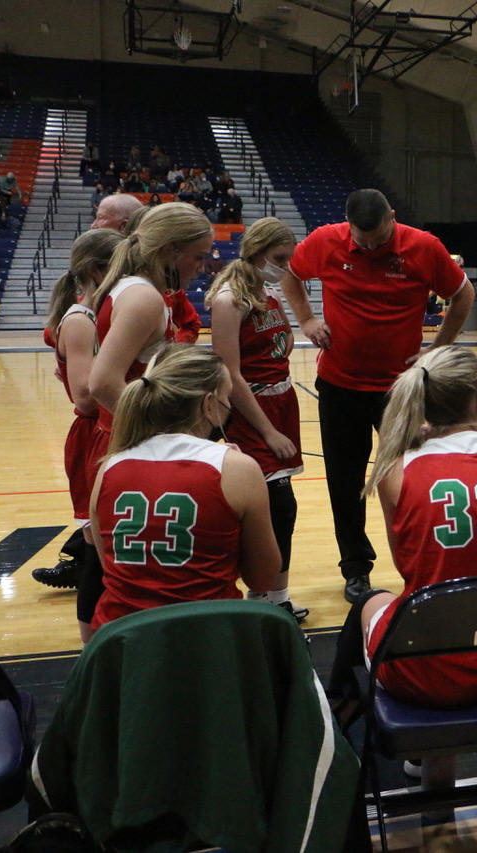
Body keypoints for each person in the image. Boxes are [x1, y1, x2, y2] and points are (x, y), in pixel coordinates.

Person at [278, 188, 476, 602]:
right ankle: (356, 568)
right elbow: (290, 275)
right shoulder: (325, 241)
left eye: (379, 239)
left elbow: (463, 294)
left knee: (415, 479)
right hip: (340, 386)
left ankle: (422, 565)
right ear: (348, 225)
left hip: (401, 390)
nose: (370, 247)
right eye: (362, 241)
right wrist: (306, 319)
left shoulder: (423, 247)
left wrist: (439, 346)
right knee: (345, 483)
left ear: (393, 216)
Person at [355, 346, 477, 707]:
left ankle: (374, 728)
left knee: (374, 600)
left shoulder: (395, 471)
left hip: (426, 672)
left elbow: (408, 567)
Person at [88, 345, 280, 631]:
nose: (230, 406)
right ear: (208, 404)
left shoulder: (108, 467)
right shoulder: (237, 469)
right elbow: (263, 579)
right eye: (227, 397)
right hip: (206, 637)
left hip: (121, 639)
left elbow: (111, 567)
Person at [205, 217, 309, 622]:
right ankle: (263, 596)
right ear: (258, 251)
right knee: (277, 507)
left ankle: (274, 596)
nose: (285, 267)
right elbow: (230, 374)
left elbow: (278, 344)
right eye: (279, 258)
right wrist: (267, 430)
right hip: (252, 411)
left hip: (281, 400)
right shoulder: (230, 300)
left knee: (281, 510)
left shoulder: (268, 292)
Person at [37, 229, 125, 639]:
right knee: (98, 548)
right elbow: (87, 399)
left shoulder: (99, 315)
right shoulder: (80, 320)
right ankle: (91, 640)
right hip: (94, 434)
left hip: (108, 430)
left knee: (110, 545)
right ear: (98, 270)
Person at [88, 202, 213, 435]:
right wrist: (161, 435)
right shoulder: (144, 298)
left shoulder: (139, 289)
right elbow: (103, 384)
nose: (202, 268)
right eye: (198, 257)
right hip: (132, 440)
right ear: (170, 250)